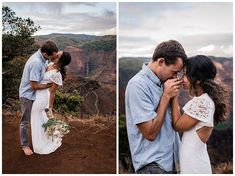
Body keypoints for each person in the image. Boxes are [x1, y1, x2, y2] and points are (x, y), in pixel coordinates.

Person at [125, 40, 187, 173]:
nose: (175, 76)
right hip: (152, 165)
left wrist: (174, 96)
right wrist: (165, 97)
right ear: (160, 62)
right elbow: (150, 133)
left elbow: (177, 123)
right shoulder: (138, 85)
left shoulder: (164, 82)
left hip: (172, 161)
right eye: (174, 71)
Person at [170, 55, 228, 173]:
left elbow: (177, 125)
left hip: (194, 165)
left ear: (198, 79)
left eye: (186, 74)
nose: (182, 79)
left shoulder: (201, 102)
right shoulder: (204, 100)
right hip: (194, 162)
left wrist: (173, 96)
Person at [19, 41, 58, 156]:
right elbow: (34, 86)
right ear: (46, 53)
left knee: (37, 117)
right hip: (28, 95)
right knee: (25, 121)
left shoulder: (42, 58)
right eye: (52, 56)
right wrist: (49, 85)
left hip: (35, 95)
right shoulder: (36, 62)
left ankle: (40, 138)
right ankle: (24, 145)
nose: (53, 58)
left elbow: (45, 69)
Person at [31, 51, 71, 154]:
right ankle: (47, 136)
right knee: (39, 118)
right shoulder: (49, 64)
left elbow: (52, 92)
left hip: (43, 97)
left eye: (58, 56)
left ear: (61, 61)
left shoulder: (57, 74)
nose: (55, 55)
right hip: (36, 93)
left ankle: (40, 144)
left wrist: (50, 108)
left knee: (35, 116)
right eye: (57, 53)